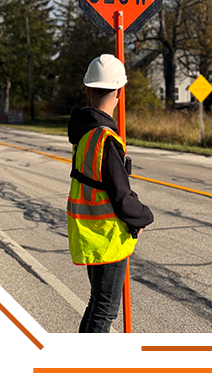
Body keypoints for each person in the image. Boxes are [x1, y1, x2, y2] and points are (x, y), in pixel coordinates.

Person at [66, 54, 154, 333]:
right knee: (104, 311)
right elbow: (121, 195)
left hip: (90, 233)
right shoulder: (105, 138)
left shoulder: (84, 135)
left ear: (88, 89)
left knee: (97, 306)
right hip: (108, 237)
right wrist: (143, 218)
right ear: (118, 92)